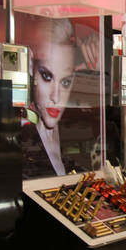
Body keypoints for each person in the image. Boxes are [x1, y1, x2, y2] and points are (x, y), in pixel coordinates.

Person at [20, 17, 92, 176]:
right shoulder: (23, 134)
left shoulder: (69, 128)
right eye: (47, 76)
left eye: (66, 82)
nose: (56, 96)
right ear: (31, 67)